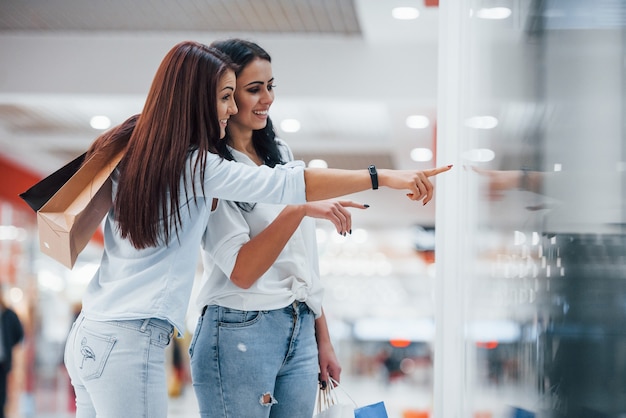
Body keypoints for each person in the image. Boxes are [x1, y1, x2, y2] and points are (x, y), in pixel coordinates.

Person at [62, 40, 451, 418]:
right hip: (134, 337)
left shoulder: (130, 146)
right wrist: (381, 176)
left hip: (92, 331)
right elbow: (285, 187)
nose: (231, 108)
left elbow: (69, 219)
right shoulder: (196, 166)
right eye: (226, 96)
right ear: (195, 98)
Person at [189, 38, 360, 418]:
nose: (267, 98)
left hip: (297, 325)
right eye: (254, 89)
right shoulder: (210, 170)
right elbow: (243, 272)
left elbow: (303, 263)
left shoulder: (279, 153)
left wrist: (322, 339)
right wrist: (298, 209)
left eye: (271, 86)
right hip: (239, 328)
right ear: (224, 97)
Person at [0, 296, 24, 418]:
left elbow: (19, 333)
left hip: (2, 362)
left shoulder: (8, 314)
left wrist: (9, 344)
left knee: (2, 395)